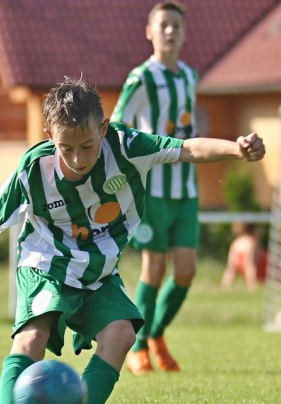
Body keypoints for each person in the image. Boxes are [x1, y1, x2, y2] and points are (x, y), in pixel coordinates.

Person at [0, 78, 265, 404]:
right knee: (33, 336)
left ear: (104, 128)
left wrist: (237, 150)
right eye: (66, 148)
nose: (78, 158)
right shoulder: (34, 168)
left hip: (99, 271)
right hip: (47, 263)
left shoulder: (127, 147)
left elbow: (188, 148)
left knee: (122, 334)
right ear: (49, 135)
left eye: (87, 145)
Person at [111, 1, 200, 375]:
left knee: (186, 271)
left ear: (183, 32)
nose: (169, 31)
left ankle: (157, 335)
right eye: (163, 25)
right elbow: (117, 124)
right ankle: (139, 346)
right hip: (153, 188)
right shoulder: (141, 77)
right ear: (149, 31)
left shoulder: (190, 76)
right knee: (154, 267)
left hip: (187, 189)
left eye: (175, 25)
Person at [220, 222, 267, 291]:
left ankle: (224, 287)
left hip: (238, 260)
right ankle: (251, 287)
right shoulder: (252, 242)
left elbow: (231, 267)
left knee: (231, 271)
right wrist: (252, 284)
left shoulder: (236, 242)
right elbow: (250, 265)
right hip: (252, 264)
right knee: (250, 267)